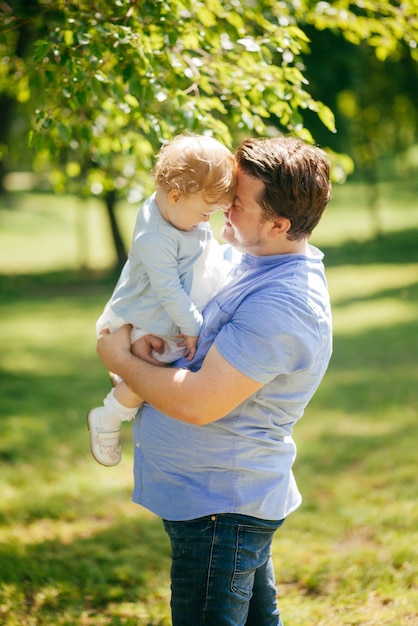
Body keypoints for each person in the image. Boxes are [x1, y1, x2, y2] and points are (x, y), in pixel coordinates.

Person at [96, 136, 333, 626]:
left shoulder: (282, 303)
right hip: (217, 502)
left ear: (279, 224)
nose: (224, 206)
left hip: (221, 510)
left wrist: (117, 355)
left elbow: (200, 403)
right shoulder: (253, 260)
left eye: (237, 203)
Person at [88, 134, 235, 467]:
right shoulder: (157, 237)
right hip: (145, 317)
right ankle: (108, 417)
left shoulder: (177, 213)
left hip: (163, 314)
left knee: (155, 370)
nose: (206, 221)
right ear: (175, 195)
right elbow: (169, 290)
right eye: (204, 213)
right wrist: (194, 327)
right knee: (148, 368)